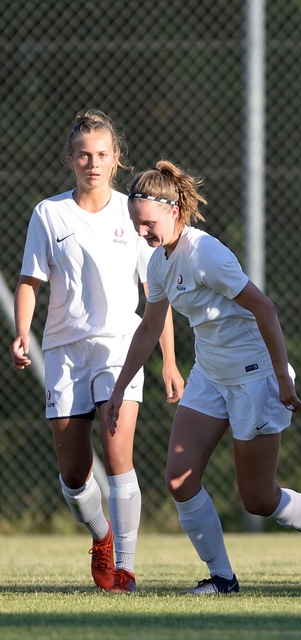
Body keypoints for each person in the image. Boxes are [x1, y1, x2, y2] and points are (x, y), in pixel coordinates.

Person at [101, 160, 301, 595]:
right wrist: (118, 389)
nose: (141, 232)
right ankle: (222, 578)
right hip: (209, 373)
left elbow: (265, 309)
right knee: (179, 479)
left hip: (254, 377)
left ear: (174, 211)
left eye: (148, 223)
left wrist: (281, 377)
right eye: (135, 224)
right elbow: (150, 327)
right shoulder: (159, 263)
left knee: (258, 499)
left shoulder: (204, 253)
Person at [10, 110, 183, 594]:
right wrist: (22, 332)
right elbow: (29, 281)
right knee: (73, 475)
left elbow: (156, 295)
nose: (93, 163)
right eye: (84, 155)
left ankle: (125, 568)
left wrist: (169, 361)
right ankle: (101, 536)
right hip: (64, 353)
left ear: (115, 159)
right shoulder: (49, 214)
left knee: (117, 452)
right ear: (70, 159)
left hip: (120, 350)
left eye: (102, 154)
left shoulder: (133, 214)